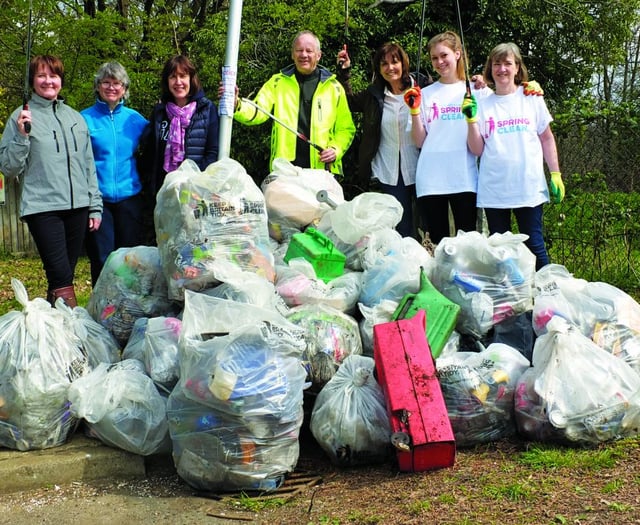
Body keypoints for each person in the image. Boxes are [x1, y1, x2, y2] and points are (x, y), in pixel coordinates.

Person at [0, 55, 103, 307]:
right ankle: (75, 334)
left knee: (62, 277)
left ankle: (52, 336)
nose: (48, 81)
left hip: (78, 208)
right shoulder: (21, 117)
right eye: (41, 75)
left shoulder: (75, 118)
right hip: (43, 208)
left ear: (61, 81)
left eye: (53, 75)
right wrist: (22, 137)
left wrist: (94, 205)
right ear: (32, 81)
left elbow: (88, 164)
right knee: (60, 276)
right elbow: (8, 168)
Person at [464, 42, 564, 270]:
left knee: (535, 245)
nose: (502, 69)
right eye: (496, 64)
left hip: (528, 187)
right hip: (495, 190)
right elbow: (477, 149)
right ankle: (512, 299)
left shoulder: (531, 97)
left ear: (517, 67)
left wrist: (555, 173)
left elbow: (547, 138)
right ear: (490, 68)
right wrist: (471, 121)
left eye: (507, 63)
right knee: (501, 251)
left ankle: (545, 294)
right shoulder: (482, 103)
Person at [403, 31, 493, 245]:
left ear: (458, 54)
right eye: (434, 58)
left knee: (468, 243)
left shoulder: (477, 92)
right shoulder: (424, 93)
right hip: (431, 180)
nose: (439, 62)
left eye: (444, 55)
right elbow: (419, 142)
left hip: (465, 177)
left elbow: (506, 99)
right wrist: (414, 112)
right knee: (438, 244)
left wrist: (528, 88)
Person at [229, 30, 356, 175]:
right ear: (292, 54)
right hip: (285, 170)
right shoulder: (277, 82)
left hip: (322, 171)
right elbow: (258, 111)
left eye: (309, 51)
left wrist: (335, 150)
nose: (304, 55)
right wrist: (236, 105)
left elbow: (346, 129)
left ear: (318, 55)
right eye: (299, 50)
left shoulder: (334, 87)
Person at [336, 42, 420, 239]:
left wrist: (479, 83)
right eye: (384, 64)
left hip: (422, 166)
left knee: (427, 221)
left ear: (404, 63)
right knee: (401, 224)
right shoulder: (374, 95)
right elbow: (348, 101)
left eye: (395, 61)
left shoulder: (421, 87)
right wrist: (344, 72)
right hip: (389, 170)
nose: (390, 68)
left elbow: (447, 89)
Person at [81, 62, 149, 285]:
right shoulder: (84, 119)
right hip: (99, 202)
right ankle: (101, 309)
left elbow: (158, 145)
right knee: (102, 259)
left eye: (117, 83)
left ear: (124, 88)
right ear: (98, 86)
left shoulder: (135, 120)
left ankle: (129, 307)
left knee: (129, 258)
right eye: (106, 82)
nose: (111, 87)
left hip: (130, 199)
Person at [138, 54, 219, 240]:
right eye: (173, 77)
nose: (178, 82)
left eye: (183, 76)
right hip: (165, 193)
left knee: (194, 244)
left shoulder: (206, 109)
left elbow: (212, 153)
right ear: (167, 81)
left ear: (191, 79)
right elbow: (151, 153)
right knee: (167, 243)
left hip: (196, 192)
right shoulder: (160, 112)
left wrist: (196, 184)